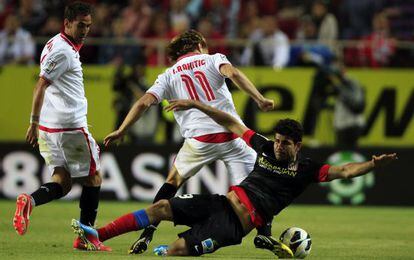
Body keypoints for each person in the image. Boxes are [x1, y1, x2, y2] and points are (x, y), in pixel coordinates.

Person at [72, 99, 397, 257]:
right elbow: (232, 122)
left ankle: (166, 249)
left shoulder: (307, 169)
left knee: (176, 250)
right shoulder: (265, 147)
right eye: (277, 140)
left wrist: (371, 164)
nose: (278, 146)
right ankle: (97, 234)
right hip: (220, 203)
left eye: (285, 143)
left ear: (297, 145)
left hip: (233, 226)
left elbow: (344, 171)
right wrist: (194, 104)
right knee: (160, 207)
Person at [103, 29, 274, 254]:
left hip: (199, 141)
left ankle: (147, 234)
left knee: (172, 182)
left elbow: (144, 102)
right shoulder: (213, 59)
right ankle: (265, 236)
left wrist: (122, 129)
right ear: (199, 44)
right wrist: (259, 98)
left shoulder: (167, 74)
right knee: (259, 185)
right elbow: (233, 74)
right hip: (232, 136)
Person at [13, 2, 110, 251]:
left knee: (63, 181)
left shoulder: (56, 43)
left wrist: (38, 125)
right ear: (66, 23)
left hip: (50, 128)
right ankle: (86, 238)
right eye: (80, 25)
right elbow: (40, 85)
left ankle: (30, 201)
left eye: (88, 26)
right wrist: (32, 123)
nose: (85, 30)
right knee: (94, 177)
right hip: (70, 126)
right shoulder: (63, 51)